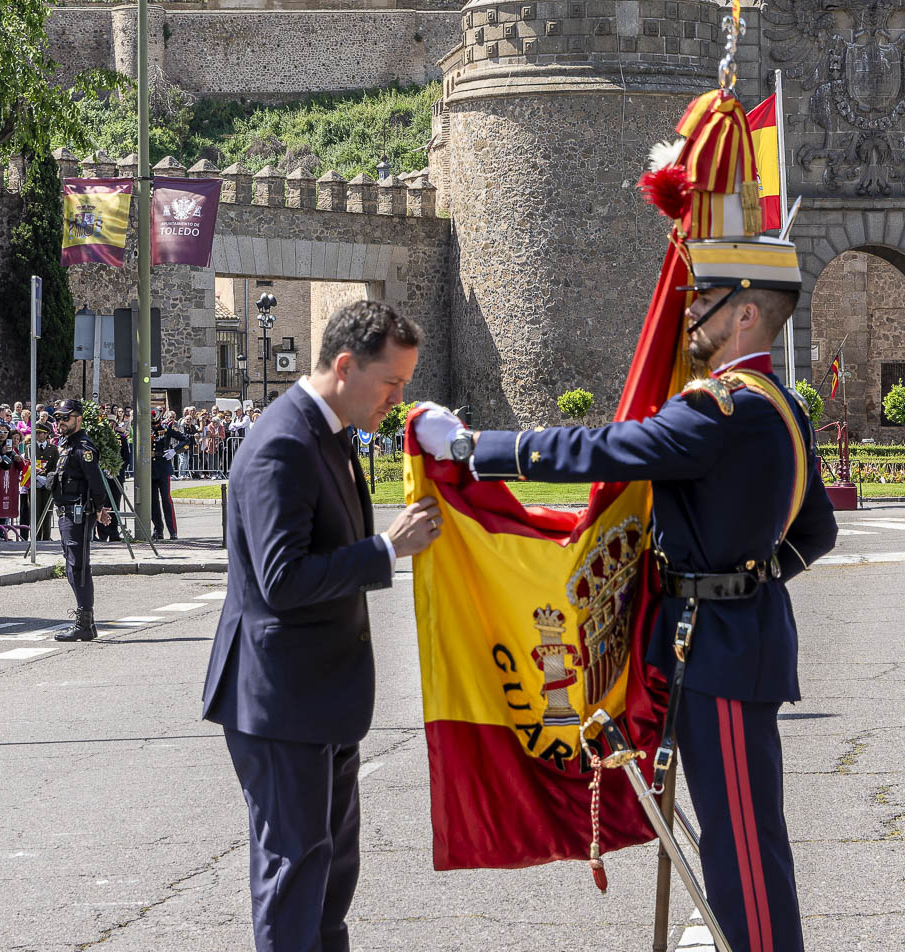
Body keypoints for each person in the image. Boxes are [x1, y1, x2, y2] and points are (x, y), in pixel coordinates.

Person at [418, 236, 839, 952]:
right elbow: (816, 532)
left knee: (743, 850)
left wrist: (470, 449)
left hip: (718, 652)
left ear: (743, 315)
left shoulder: (720, 411)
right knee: (737, 840)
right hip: (733, 641)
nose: (690, 318)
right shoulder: (783, 405)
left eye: (701, 304)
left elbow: (602, 448)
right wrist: (749, 579)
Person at [205, 301, 441, 952]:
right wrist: (386, 551)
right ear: (344, 366)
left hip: (320, 702)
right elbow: (282, 580)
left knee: (329, 886)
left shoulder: (327, 432)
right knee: (295, 882)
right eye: (392, 382)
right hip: (282, 705)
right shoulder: (284, 441)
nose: (398, 398)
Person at [46, 402, 113, 642]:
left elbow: (96, 483)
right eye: (58, 418)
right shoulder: (67, 445)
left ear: (79, 419)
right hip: (67, 511)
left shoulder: (83, 447)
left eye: (65, 417)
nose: (61, 422)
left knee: (78, 567)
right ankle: (87, 623)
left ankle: (84, 623)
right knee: (72, 565)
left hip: (78, 513)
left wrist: (98, 509)